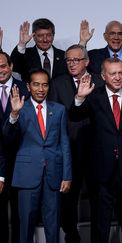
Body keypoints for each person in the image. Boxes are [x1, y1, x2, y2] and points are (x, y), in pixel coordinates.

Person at [69, 58, 122, 243]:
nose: (117, 77)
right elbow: (74, 115)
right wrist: (80, 97)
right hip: (101, 172)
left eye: (121, 73)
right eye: (113, 73)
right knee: (100, 225)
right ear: (103, 76)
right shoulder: (93, 96)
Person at [4, 68, 72, 243]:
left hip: (53, 176)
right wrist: (13, 115)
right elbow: (7, 138)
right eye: (36, 84)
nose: (40, 89)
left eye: (44, 85)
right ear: (28, 86)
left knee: (53, 225)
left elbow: (64, 143)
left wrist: (67, 175)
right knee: (25, 225)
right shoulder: (19, 108)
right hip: (27, 175)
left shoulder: (59, 110)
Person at [48, 44, 104, 243]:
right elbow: (53, 118)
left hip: (97, 152)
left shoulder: (100, 80)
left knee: (99, 200)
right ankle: (72, 236)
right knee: (68, 201)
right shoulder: (57, 83)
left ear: (87, 62)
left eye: (76, 60)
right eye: (68, 60)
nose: (71, 64)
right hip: (69, 151)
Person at [0, 51, 28, 243]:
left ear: (10, 66)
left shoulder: (26, 90)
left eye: (2, 66)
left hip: (22, 163)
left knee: (22, 216)